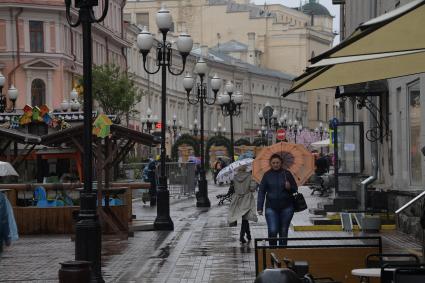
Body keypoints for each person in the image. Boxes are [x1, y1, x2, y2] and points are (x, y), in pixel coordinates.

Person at [257, 154, 298, 246]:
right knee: (273, 230)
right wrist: (259, 207)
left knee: (283, 231)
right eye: (273, 163)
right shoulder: (267, 175)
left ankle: (282, 254)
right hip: (271, 207)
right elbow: (262, 191)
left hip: (287, 207)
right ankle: (273, 253)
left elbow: (295, 189)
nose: (276, 164)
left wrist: (289, 187)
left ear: (281, 163)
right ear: (271, 164)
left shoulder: (287, 174)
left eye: (277, 162)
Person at [228, 165, 258, 244]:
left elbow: (232, 188)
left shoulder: (234, 177)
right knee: (245, 218)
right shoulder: (250, 176)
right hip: (247, 199)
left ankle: (248, 235)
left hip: (237, 199)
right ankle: (241, 236)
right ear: (245, 168)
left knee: (244, 218)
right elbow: (252, 188)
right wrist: (253, 182)